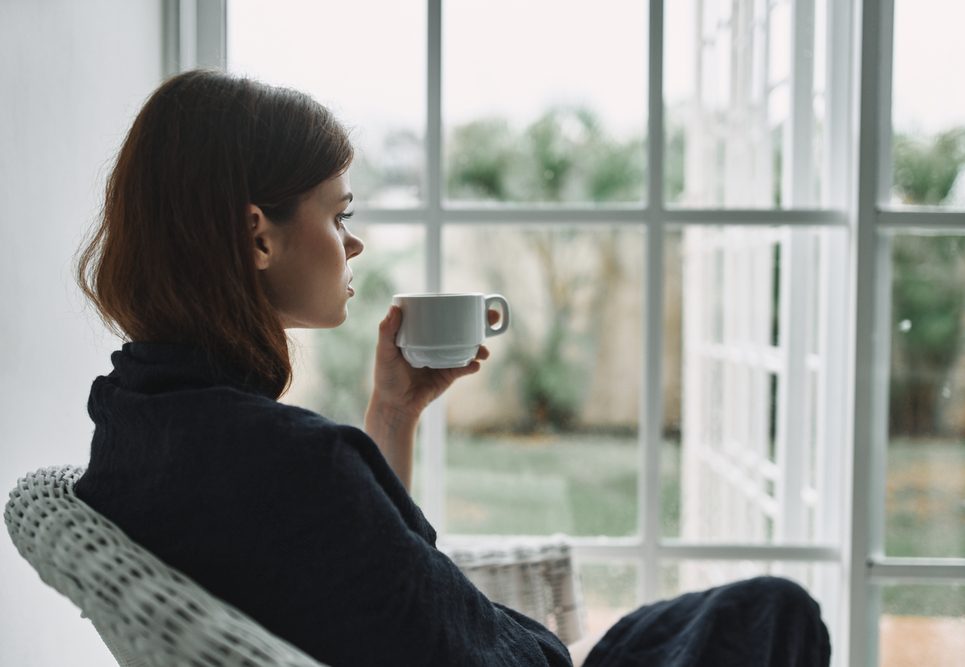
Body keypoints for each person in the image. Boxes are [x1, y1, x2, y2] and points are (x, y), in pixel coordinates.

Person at [72, 68, 831, 667]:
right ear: (258, 237)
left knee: (725, 613)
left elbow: (357, 579)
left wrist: (392, 414)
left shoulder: (134, 417)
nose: (352, 243)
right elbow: (432, 623)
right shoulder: (292, 462)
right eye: (338, 215)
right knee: (774, 610)